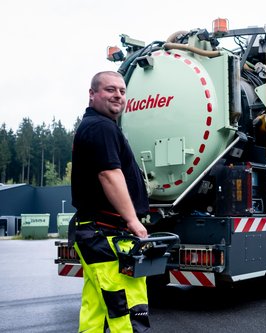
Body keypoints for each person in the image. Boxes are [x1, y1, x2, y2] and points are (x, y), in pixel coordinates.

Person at [71, 71, 150, 332]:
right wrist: (132, 220)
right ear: (92, 94)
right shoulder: (101, 127)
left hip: (94, 233)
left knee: (96, 309)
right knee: (127, 310)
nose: (118, 95)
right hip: (106, 235)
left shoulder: (96, 126)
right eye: (110, 90)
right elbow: (109, 174)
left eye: (122, 91)